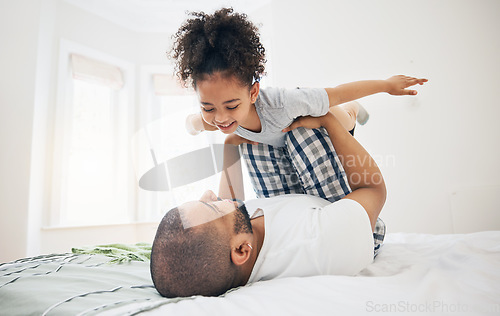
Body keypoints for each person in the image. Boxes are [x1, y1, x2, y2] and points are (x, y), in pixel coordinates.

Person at [172, 8, 426, 201]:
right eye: (208, 107)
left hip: (320, 119)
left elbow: (338, 92)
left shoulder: (284, 104)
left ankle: (356, 109)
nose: (221, 117)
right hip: (284, 143)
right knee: (236, 141)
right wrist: (198, 122)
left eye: (230, 106)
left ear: (253, 93)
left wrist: (386, 85)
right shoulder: (216, 121)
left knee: (342, 114)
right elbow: (191, 124)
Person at [150, 110, 387, 298]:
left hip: (297, 208)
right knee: (302, 131)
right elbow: (372, 189)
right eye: (211, 207)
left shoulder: (236, 245)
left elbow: (228, 204)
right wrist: (330, 122)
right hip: (351, 221)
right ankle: (351, 113)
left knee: (254, 138)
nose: (209, 193)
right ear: (241, 250)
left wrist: (230, 146)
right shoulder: (321, 240)